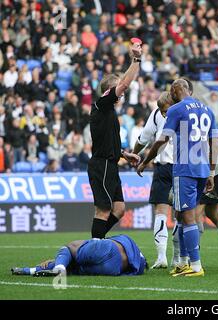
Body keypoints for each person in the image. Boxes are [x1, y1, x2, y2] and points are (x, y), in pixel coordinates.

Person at [137, 79, 218, 277]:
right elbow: (215, 142)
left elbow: (161, 141)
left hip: (184, 169)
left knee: (187, 217)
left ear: (175, 91)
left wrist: (145, 160)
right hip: (202, 169)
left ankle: (196, 266)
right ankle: (183, 262)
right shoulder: (207, 110)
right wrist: (211, 172)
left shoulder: (176, 109)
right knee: (182, 217)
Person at [88, 40, 142, 239]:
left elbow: (106, 140)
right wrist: (136, 59)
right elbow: (125, 83)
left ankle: (97, 240)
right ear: (108, 91)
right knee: (102, 211)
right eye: (118, 89)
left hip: (111, 163)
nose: (123, 92)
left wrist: (124, 154)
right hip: (101, 165)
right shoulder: (101, 105)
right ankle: (94, 247)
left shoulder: (109, 112)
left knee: (118, 209)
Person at [132, 91, 175, 269]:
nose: (164, 114)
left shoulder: (162, 114)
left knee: (175, 213)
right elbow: (144, 137)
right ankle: (165, 257)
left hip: (173, 166)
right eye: (162, 111)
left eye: (166, 111)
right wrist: (134, 153)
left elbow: (146, 139)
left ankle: (173, 257)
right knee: (165, 212)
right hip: (174, 167)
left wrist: (139, 156)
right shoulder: (160, 113)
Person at [11, 234, 147, 277]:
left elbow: (72, 250)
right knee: (72, 267)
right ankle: (29, 270)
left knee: (69, 247)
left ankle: (59, 265)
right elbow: (141, 267)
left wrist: (61, 259)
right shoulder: (139, 262)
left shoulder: (122, 239)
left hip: (108, 248)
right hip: (113, 269)